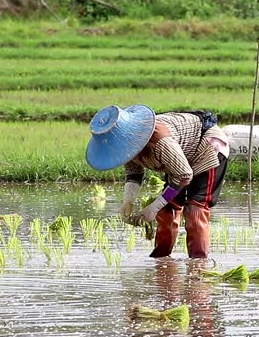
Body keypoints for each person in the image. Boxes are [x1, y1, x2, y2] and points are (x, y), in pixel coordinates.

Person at [86, 104, 229, 258]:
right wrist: (128, 200)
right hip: (180, 158)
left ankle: (198, 264)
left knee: (195, 209)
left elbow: (184, 175)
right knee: (167, 210)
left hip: (207, 147)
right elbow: (134, 171)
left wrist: (154, 207)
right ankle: (161, 259)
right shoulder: (126, 147)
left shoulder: (160, 142)